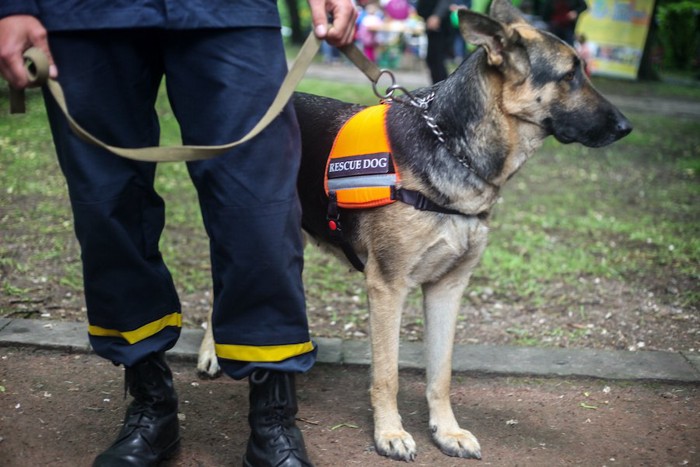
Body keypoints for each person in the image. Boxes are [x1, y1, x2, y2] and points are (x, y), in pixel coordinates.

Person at [0, 1, 356, 466]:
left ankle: (274, 413)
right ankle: (150, 400)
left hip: (229, 12)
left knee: (259, 205)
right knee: (106, 206)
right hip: (81, 14)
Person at [417, 0, 456, 84]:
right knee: (432, 59)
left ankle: (441, 87)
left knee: (436, 59)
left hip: (440, 24)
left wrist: (437, 16)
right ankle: (439, 87)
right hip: (431, 20)